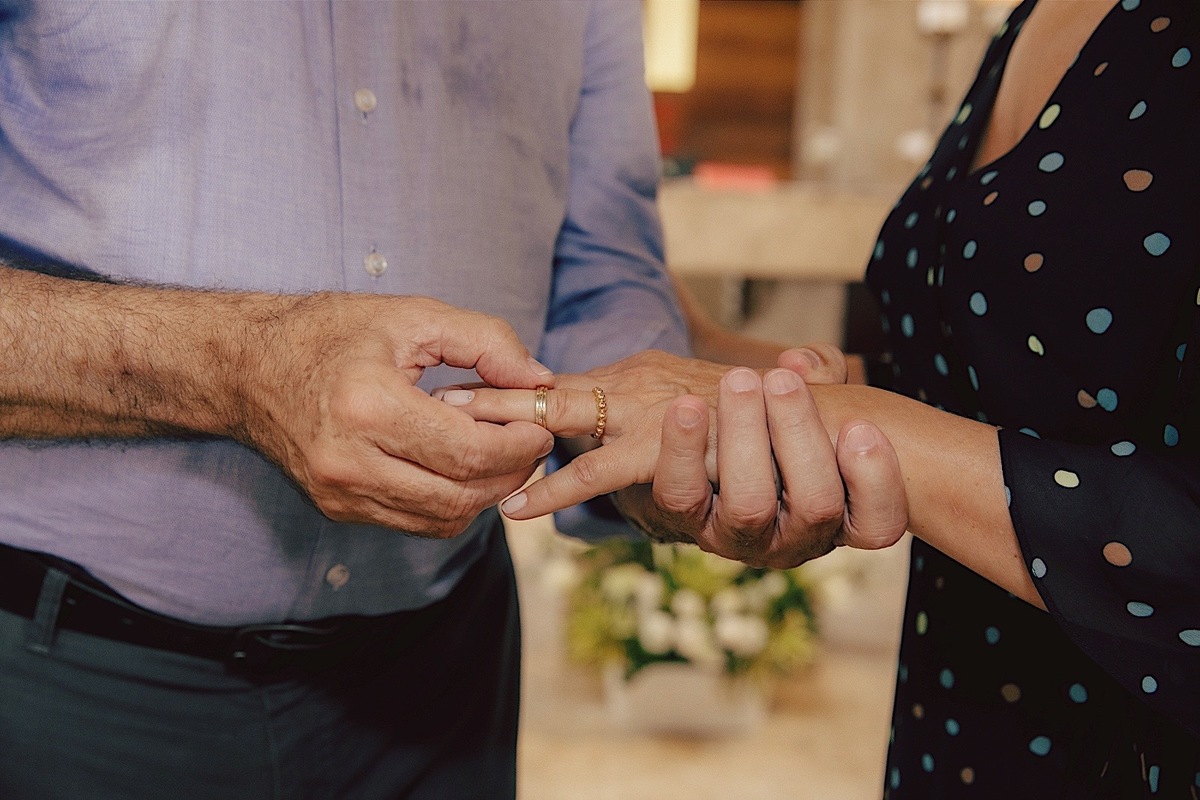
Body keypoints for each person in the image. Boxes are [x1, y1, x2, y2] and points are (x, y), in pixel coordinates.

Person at [447, 0, 1200, 794]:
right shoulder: (1035, 17)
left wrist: (852, 420)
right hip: (979, 713)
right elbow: (981, 393)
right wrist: (703, 360)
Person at [0, 2, 691, 798]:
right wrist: (243, 367)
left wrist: (666, 440)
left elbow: (605, 271)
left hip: (448, 682)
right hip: (64, 683)